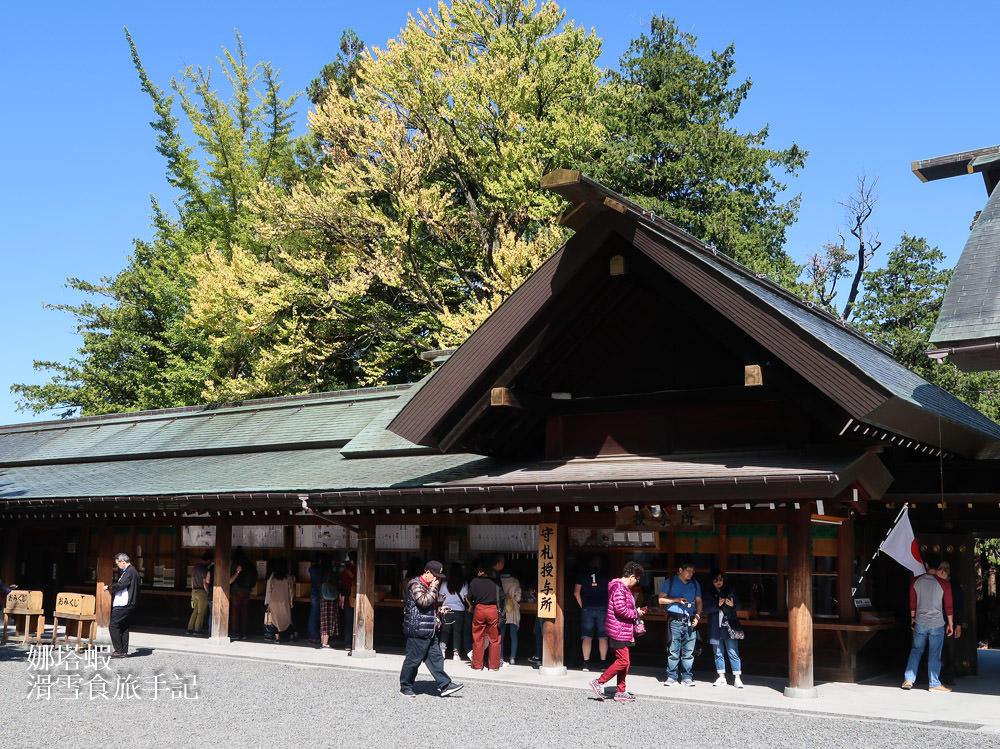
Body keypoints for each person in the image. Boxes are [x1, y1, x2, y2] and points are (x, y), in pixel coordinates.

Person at [399, 560, 464, 698]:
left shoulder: (428, 585)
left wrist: (439, 609)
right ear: (427, 572)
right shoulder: (416, 584)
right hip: (418, 629)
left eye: (439, 578)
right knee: (413, 660)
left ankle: (445, 685)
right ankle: (405, 687)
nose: (438, 580)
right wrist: (434, 587)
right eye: (436, 577)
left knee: (436, 658)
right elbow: (423, 602)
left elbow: (427, 607)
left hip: (429, 629)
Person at [588, 561, 645, 702]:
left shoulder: (619, 587)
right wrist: (635, 613)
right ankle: (599, 682)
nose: (636, 583)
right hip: (618, 629)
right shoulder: (620, 588)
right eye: (637, 580)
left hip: (622, 629)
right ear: (631, 576)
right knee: (623, 661)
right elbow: (620, 610)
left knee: (625, 662)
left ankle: (621, 691)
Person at [902, 551, 953, 692]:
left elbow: (913, 603)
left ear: (926, 564)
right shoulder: (944, 584)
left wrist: (913, 620)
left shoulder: (915, 581)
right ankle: (934, 683)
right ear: (938, 566)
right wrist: (951, 624)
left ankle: (909, 679)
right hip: (937, 623)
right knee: (935, 652)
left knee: (916, 650)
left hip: (920, 621)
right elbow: (948, 606)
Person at [659, 559, 702, 686]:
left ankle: (687, 676)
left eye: (692, 571)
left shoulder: (694, 583)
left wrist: (698, 616)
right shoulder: (670, 582)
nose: (691, 574)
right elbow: (661, 600)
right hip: (675, 619)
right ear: (680, 570)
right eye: (688, 571)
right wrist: (676, 600)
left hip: (690, 618)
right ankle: (671, 675)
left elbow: (699, 601)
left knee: (689, 650)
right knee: (673, 649)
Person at [704, 569, 743, 688]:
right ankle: (721, 677)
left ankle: (737, 678)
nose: (718, 582)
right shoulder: (708, 593)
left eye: (720, 579)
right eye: (715, 580)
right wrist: (718, 605)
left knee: (733, 651)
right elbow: (707, 609)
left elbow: (739, 605)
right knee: (718, 652)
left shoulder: (730, 590)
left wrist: (733, 605)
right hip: (715, 626)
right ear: (711, 581)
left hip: (729, 625)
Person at [574, 555, 611, 671]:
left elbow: (576, 592)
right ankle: (603, 663)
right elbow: (611, 592)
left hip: (587, 608)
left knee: (586, 637)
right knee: (603, 637)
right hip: (603, 608)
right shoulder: (606, 575)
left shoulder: (582, 574)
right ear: (600, 563)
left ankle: (586, 663)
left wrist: (582, 605)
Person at [103, 552, 140, 658]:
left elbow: (121, 585)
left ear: (123, 562)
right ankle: (123, 651)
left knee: (113, 625)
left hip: (124, 604)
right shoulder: (132, 571)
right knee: (123, 626)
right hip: (129, 603)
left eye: (118, 563)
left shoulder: (129, 571)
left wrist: (109, 587)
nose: (117, 566)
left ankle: (119, 650)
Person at [468, 561, 503, 671]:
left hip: (479, 609)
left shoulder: (475, 582)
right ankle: (493, 666)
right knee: (495, 639)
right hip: (493, 610)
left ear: (480, 571)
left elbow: (470, 596)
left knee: (478, 637)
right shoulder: (496, 582)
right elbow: (502, 597)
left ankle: (477, 665)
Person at [937, 560, 965, 686]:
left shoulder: (954, 585)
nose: (942, 570)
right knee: (937, 649)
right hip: (936, 621)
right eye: (940, 567)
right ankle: (938, 674)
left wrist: (958, 624)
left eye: (945, 568)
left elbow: (959, 606)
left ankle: (949, 674)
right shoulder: (934, 583)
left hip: (950, 622)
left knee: (950, 649)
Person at [439, 563, 468, 661]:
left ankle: (442, 651)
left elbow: (440, 597)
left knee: (445, 631)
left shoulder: (444, 584)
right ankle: (456, 654)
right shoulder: (464, 584)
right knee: (457, 633)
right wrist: (471, 606)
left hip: (447, 610)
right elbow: (466, 597)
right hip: (459, 610)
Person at [264, 558, 296, 642]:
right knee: (288, 619)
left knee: (275, 620)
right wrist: (292, 602)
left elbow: (269, 591)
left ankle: (277, 637)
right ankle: (291, 636)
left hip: (274, 601)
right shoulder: (288, 577)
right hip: (284, 601)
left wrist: (268, 602)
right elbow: (291, 591)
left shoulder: (273, 578)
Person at [229, 547, 256, 641]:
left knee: (235, 613)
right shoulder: (248, 563)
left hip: (236, 591)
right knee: (244, 612)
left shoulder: (235, 563)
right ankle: (244, 633)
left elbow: (230, 579)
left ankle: (236, 633)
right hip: (247, 591)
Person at [501, 568, 522, 665]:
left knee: (500, 635)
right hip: (512, 609)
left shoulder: (499, 579)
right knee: (513, 635)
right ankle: (512, 658)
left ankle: (500, 656)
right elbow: (518, 597)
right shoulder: (515, 581)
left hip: (502, 608)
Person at [186, 552, 211, 635]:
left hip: (194, 591)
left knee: (194, 611)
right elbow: (205, 582)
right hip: (201, 592)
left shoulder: (195, 567)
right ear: (208, 560)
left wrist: (193, 590)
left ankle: (189, 629)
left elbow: (192, 580)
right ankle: (197, 630)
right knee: (201, 612)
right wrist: (208, 592)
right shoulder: (205, 569)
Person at [320, 567, 340, 648]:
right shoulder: (334, 585)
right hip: (332, 605)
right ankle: (325, 643)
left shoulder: (323, 585)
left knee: (324, 623)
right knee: (330, 622)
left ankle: (323, 642)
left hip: (324, 604)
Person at [340, 556, 357, 652]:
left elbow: (342, 587)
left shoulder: (346, 572)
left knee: (348, 623)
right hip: (361, 601)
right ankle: (359, 643)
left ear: (351, 560)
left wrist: (342, 600)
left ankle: (348, 644)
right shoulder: (362, 570)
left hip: (349, 599)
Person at [307, 557, 321, 644]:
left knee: (313, 616)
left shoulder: (313, 569)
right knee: (316, 616)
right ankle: (315, 636)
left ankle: (313, 636)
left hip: (314, 593)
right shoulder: (322, 569)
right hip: (319, 594)